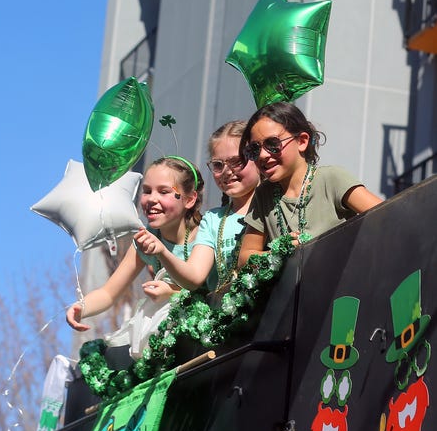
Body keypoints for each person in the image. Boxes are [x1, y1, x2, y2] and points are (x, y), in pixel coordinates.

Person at [66, 155, 206, 360]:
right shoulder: (144, 238)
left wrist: (172, 292)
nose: (151, 199)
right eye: (147, 191)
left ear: (190, 199)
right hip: (161, 331)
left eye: (164, 191)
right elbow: (109, 292)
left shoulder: (204, 233)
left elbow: (208, 286)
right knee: (111, 359)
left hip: (200, 331)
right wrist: (82, 306)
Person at [237, 102, 383, 267]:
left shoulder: (332, 179)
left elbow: (388, 217)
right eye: (254, 149)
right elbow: (244, 259)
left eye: (273, 144)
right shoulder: (264, 194)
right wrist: (278, 252)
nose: (263, 155)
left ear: (302, 141)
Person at [134, 121, 259, 296]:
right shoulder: (213, 219)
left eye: (236, 161)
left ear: (256, 156)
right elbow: (194, 277)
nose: (227, 171)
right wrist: (162, 251)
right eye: (218, 165)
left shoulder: (273, 205)